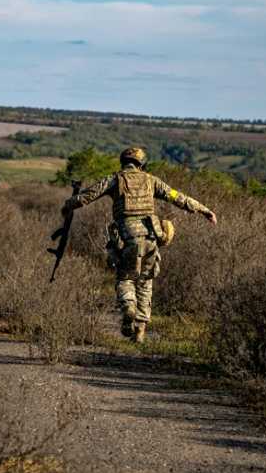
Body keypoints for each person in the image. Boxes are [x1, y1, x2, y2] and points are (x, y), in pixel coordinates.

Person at [61, 147, 217, 343]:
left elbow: (87, 196)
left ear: (123, 161)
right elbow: (178, 197)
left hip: (126, 238)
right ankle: (140, 331)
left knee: (125, 278)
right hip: (151, 237)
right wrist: (205, 210)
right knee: (145, 281)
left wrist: (67, 205)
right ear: (142, 163)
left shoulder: (115, 179)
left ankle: (128, 307)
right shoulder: (152, 181)